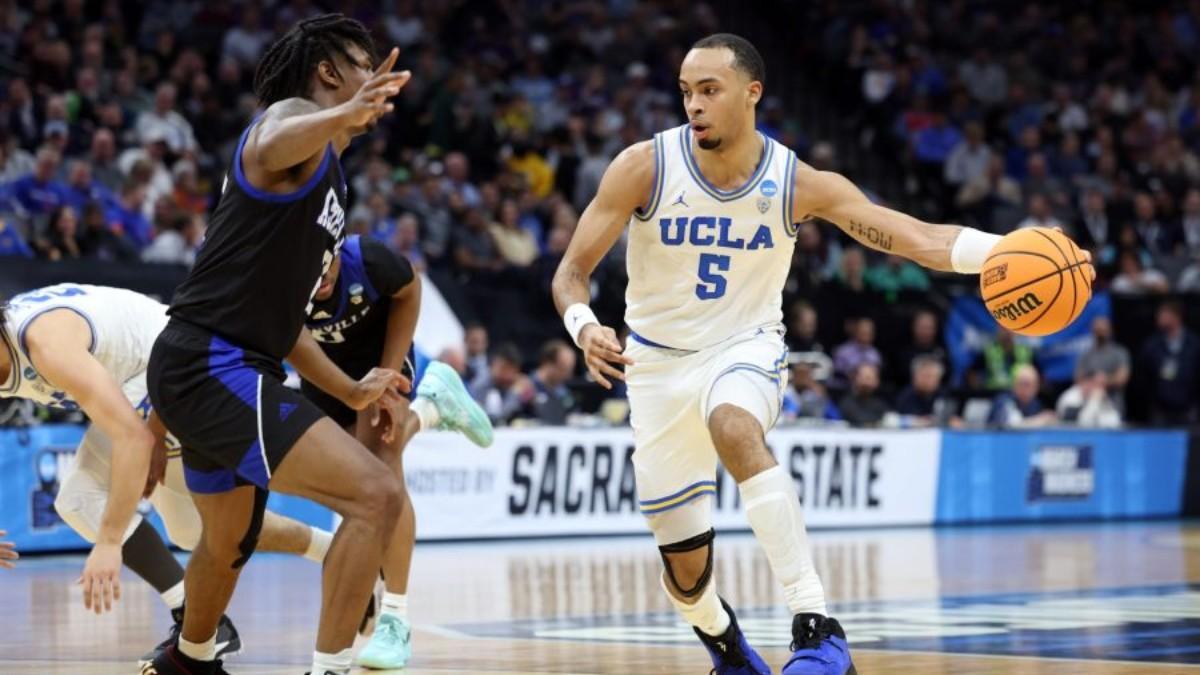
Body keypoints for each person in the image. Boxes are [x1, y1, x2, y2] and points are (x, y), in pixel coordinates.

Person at [553, 33, 1087, 675]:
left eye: (709, 90)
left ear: (752, 93)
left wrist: (1010, 250)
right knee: (687, 580)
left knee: (733, 423)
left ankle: (817, 628)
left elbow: (913, 238)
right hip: (655, 368)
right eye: (687, 91)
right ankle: (727, 649)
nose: (694, 104)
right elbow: (570, 273)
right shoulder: (643, 165)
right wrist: (585, 327)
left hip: (743, 347)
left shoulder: (795, 182)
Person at [141, 16, 413, 675]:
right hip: (213, 361)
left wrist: (350, 388)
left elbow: (283, 317)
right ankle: (331, 668)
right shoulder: (289, 126)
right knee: (375, 494)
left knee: (228, 538)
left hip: (208, 361)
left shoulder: (331, 180)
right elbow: (268, 137)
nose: (374, 79)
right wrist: (344, 112)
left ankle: (191, 658)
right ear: (328, 73)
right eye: (362, 65)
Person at [0, 285, 336, 667]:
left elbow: (133, 437)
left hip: (172, 363)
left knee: (80, 498)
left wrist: (110, 541)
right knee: (195, 531)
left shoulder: (46, 341)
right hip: (142, 374)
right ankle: (333, 549)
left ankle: (199, 622)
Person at [302, 233, 493, 669]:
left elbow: (410, 289)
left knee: (381, 476)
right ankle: (432, 407)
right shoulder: (284, 279)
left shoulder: (367, 259)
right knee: (347, 481)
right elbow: (292, 345)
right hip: (326, 378)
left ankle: (396, 618)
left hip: (380, 357)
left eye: (327, 270)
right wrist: (349, 392)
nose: (322, 281)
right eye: (312, 274)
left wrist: (387, 375)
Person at [1137, 300, 1200, 426]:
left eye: (1163, 315)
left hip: (1188, 409)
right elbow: (1144, 374)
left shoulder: (1194, 344)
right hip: (1160, 410)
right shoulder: (1152, 345)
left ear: (1175, 317)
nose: (1158, 318)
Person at [1075, 316, 1130, 410]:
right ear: (1093, 331)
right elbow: (1078, 378)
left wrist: (1105, 380)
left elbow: (1122, 378)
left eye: (1103, 330)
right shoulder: (1086, 354)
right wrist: (1093, 382)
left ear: (1110, 331)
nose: (1100, 333)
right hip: (1088, 404)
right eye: (1098, 330)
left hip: (1112, 405)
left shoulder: (1119, 352)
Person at [987, 364, 1057, 428]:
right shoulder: (1003, 401)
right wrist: (1040, 420)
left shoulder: (1035, 405)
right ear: (1014, 385)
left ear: (1037, 387)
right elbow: (1010, 426)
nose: (1024, 389)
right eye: (1021, 384)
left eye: (1028, 385)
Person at [1055, 369, 1122, 428]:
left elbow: (1114, 421)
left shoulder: (1100, 396)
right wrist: (1094, 401)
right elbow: (1085, 423)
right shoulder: (1070, 397)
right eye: (1097, 383)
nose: (1101, 387)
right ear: (1087, 382)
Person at [837, 363, 889, 428]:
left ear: (877, 381)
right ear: (854, 379)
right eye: (863, 377)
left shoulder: (881, 404)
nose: (866, 382)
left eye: (869, 378)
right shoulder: (846, 402)